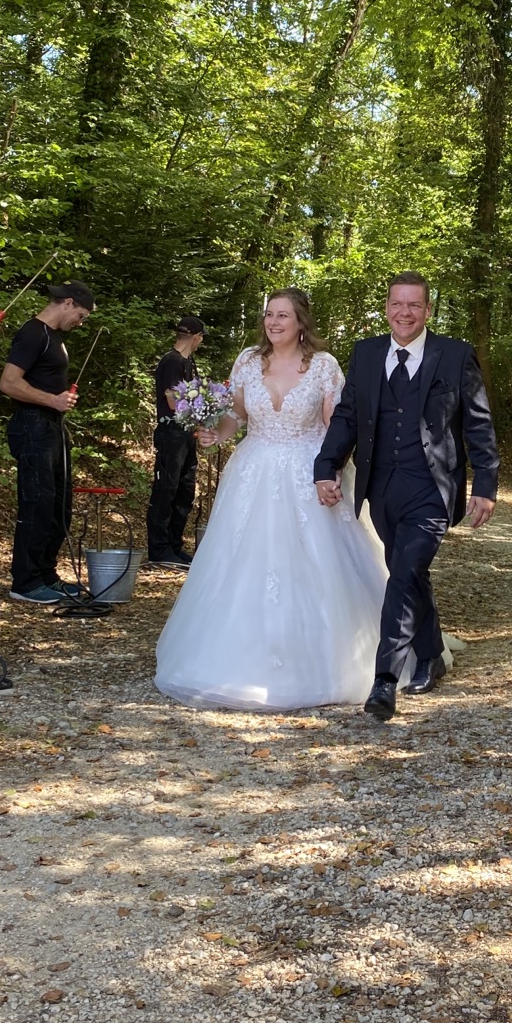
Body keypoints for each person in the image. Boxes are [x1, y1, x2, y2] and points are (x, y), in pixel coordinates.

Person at [154, 289, 390, 711]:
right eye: (269, 315)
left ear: (301, 321)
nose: (274, 322)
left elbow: (337, 428)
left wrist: (331, 471)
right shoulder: (247, 360)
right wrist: (214, 434)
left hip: (309, 471)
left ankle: (336, 656)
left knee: (318, 562)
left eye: (284, 315)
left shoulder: (322, 365)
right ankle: (235, 658)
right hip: (255, 470)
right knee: (244, 559)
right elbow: (236, 417)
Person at [314, 272, 500, 722]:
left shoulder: (454, 356)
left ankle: (385, 680)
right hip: (381, 488)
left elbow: (478, 422)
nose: (405, 313)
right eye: (398, 304)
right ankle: (432, 651)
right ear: (386, 307)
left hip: (432, 489)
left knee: (401, 576)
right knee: (409, 573)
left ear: (428, 311)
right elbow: (347, 417)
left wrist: (486, 485)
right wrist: (326, 466)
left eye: (414, 305)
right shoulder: (366, 354)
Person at [0, 282, 95, 604]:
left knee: (58, 506)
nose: (79, 324)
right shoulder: (33, 333)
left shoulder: (55, 338)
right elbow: (9, 383)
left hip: (53, 428)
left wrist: (59, 402)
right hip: (32, 427)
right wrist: (50, 401)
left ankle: (46, 575)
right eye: (80, 316)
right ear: (67, 303)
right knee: (36, 504)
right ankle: (25, 582)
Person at [145, 316, 205, 569]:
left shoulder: (187, 362)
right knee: (166, 489)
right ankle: (159, 549)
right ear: (197, 337)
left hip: (186, 432)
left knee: (184, 490)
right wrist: (203, 405)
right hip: (172, 432)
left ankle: (174, 546)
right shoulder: (171, 362)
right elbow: (173, 401)